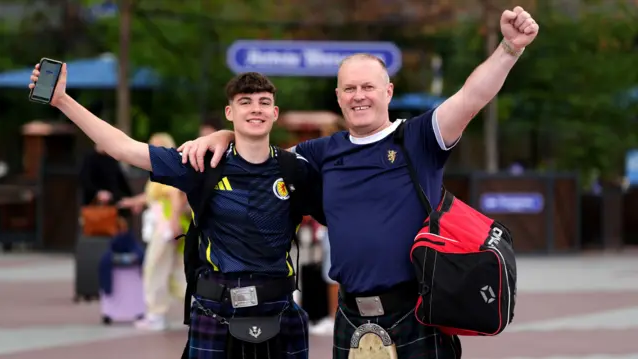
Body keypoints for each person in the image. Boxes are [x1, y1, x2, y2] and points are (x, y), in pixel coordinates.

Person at [177, 6, 539, 358]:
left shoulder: (419, 139)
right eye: (349, 89)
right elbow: (259, 156)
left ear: (388, 92)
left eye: (368, 86)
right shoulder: (320, 151)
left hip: (415, 311)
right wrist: (225, 135)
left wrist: (510, 48)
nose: (358, 95)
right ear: (338, 97)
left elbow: (471, 97)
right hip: (350, 313)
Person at [28, 68, 323, 358]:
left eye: (264, 102)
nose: (255, 109)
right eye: (245, 102)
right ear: (230, 112)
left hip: (279, 308)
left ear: (275, 113)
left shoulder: (295, 167)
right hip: (215, 309)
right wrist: (63, 101)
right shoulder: (200, 163)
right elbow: (124, 149)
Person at [119, 132, 190, 331]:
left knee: (155, 268)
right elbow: (152, 196)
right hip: (168, 225)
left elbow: (176, 195)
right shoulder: (163, 171)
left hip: (165, 226)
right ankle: (199, 308)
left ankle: (156, 314)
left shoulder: (167, 170)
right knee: (176, 272)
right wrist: (134, 202)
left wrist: (174, 221)